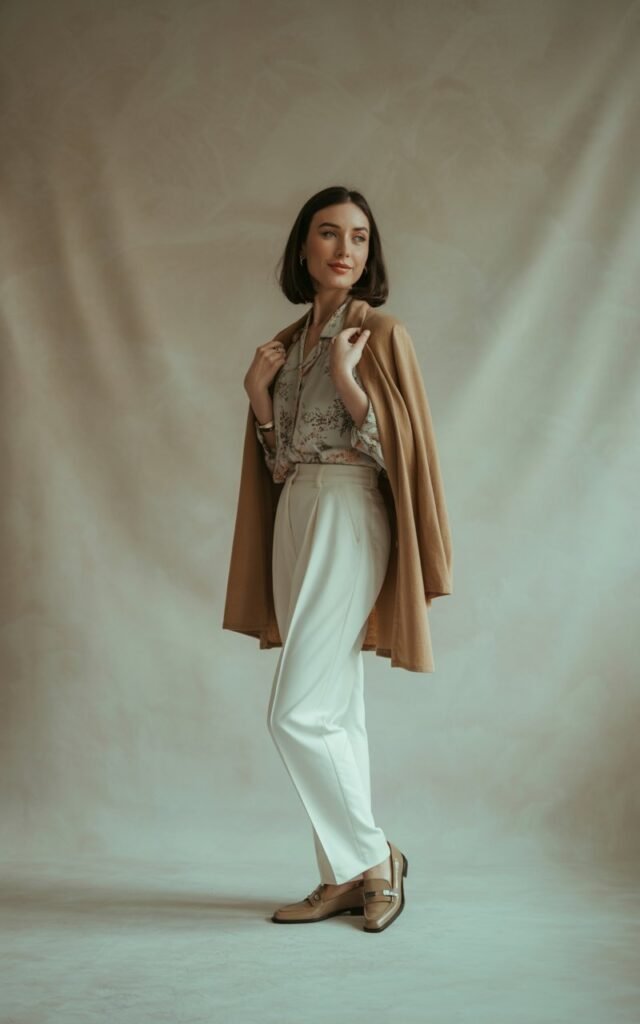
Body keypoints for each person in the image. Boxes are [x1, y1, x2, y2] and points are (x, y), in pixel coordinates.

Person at [225, 185, 452, 933]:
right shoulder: (285, 346)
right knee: (336, 711)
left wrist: (353, 384)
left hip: (351, 511)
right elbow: (283, 462)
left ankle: (373, 857)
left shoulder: (380, 334)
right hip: (299, 511)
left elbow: (404, 456)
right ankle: (342, 877)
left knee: (294, 713)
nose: (345, 248)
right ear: (303, 249)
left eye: (358, 236)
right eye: (328, 234)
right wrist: (260, 395)